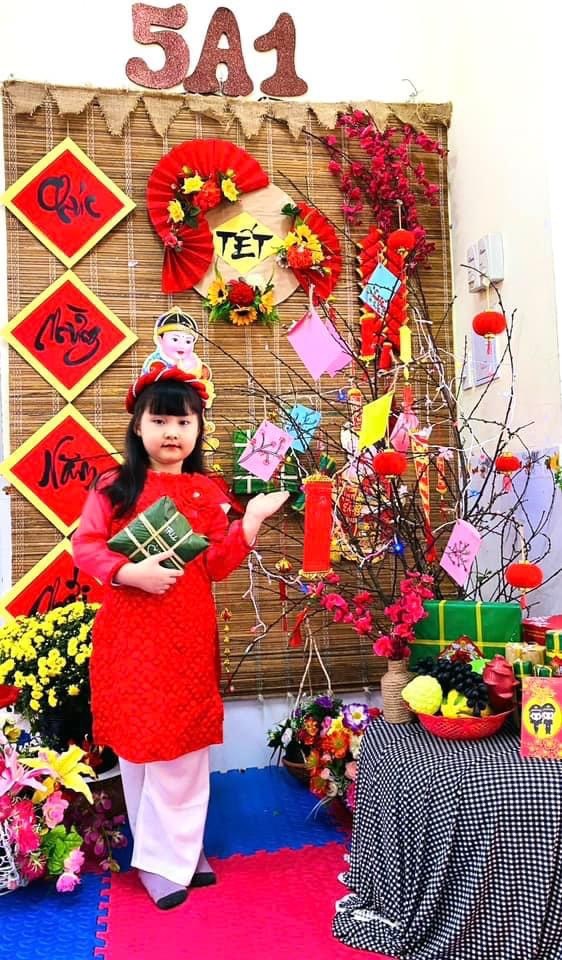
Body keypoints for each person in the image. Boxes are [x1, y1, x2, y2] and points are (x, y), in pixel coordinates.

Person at [72, 365, 288, 910]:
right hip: (132, 636)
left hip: (189, 635)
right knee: (143, 745)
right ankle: (161, 860)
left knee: (186, 747)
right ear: (138, 425)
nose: (172, 431)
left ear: (198, 429)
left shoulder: (206, 491)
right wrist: (130, 573)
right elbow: (86, 547)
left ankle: (180, 851)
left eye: (184, 421)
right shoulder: (114, 487)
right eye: (160, 420)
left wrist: (251, 522)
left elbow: (214, 564)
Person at [141, 308, 216, 406]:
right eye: (175, 339)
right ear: (160, 339)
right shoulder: (156, 363)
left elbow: (203, 377)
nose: (182, 346)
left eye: (188, 341)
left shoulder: (193, 360)